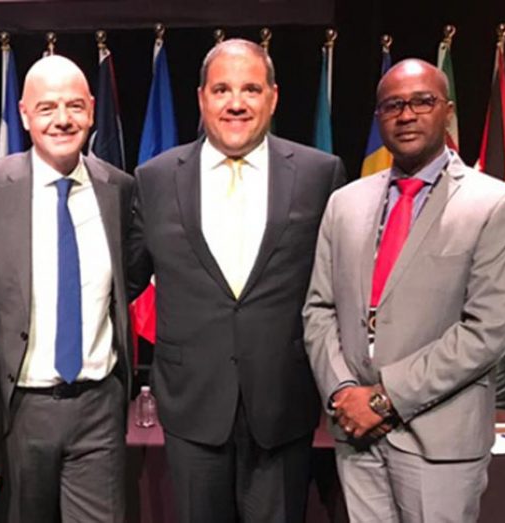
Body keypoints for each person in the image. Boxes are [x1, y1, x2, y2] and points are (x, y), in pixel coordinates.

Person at [127, 38, 346, 522]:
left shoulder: (319, 173)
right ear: (202, 97)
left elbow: (337, 288)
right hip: (192, 404)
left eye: (250, 88)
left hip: (282, 404)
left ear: (273, 96)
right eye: (222, 89)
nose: (236, 103)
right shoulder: (155, 178)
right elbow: (124, 280)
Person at [303, 59, 505, 522]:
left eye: (422, 101)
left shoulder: (497, 205)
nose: (406, 115)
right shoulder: (344, 203)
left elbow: (486, 331)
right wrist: (345, 391)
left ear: (446, 110)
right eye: (393, 105)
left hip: (437, 442)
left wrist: (384, 399)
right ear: (379, 117)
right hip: (356, 435)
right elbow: (319, 309)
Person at [0, 55, 133, 522]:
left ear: (91, 110)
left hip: (98, 407)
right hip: (17, 409)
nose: (63, 119)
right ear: (25, 114)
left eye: (74, 105)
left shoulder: (120, 189)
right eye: (47, 107)